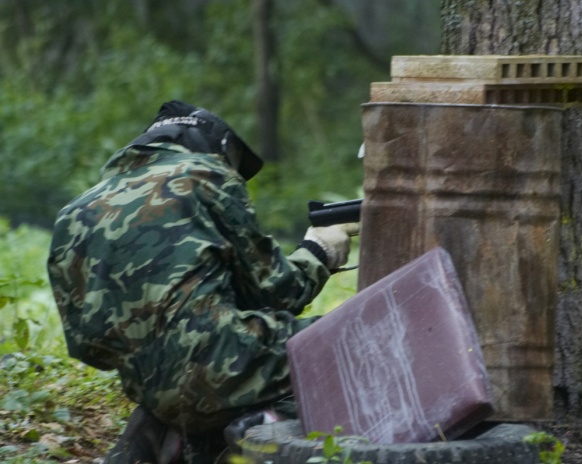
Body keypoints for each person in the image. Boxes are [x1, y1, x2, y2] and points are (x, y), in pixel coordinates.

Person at [47, 100, 358, 463]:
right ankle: (251, 434)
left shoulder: (75, 213)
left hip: (150, 389)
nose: (234, 173)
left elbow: (86, 345)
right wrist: (318, 250)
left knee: (185, 389)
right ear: (218, 148)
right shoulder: (204, 172)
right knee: (357, 338)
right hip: (227, 365)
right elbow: (277, 291)